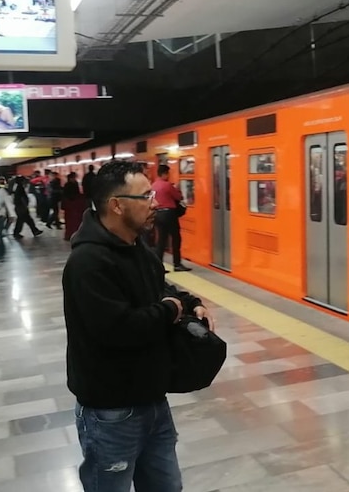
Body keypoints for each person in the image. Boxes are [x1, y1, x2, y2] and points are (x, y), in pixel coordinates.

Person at [62, 160, 215, 491]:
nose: (155, 202)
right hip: (111, 411)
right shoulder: (88, 262)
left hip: (153, 399)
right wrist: (169, 310)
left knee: (167, 486)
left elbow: (159, 286)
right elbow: (119, 329)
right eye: (145, 196)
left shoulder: (136, 246)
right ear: (117, 205)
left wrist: (189, 302)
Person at [152, 164, 190, 271]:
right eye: (168, 173)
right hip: (169, 214)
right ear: (164, 174)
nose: (168, 176)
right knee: (176, 238)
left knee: (161, 241)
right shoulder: (167, 185)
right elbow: (178, 197)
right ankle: (177, 264)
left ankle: (159, 266)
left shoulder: (153, 185)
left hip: (157, 214)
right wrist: (177, 189)